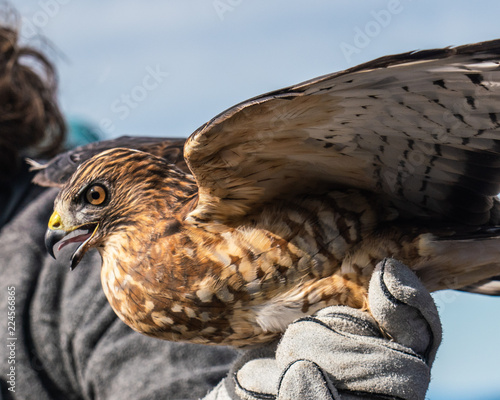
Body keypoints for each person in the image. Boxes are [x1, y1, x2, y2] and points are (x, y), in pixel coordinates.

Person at [0, 15, 441, 400]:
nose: (60, 227)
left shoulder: (85, 277)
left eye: (92, 199)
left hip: (411, 237)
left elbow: (172, 386)